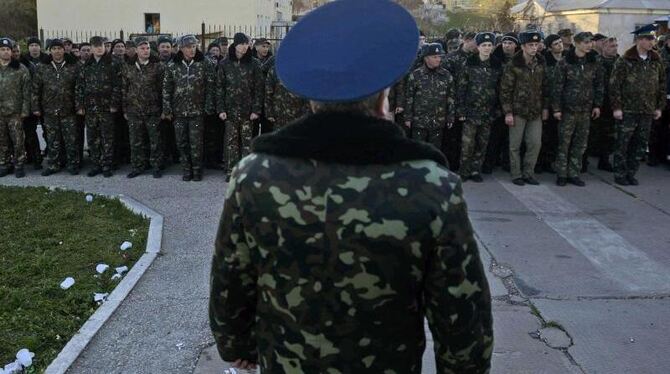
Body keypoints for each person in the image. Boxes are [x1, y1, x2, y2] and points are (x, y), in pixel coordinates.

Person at [209, 1, 493, 373]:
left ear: (310, 96)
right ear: (383, 97)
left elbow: (231, 278)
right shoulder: (432, 185)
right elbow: (461, 310)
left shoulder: (254, 175)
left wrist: (236, 344)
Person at [609, 25, 666, 186]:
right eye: (648, 39)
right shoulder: (625, 60)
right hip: (627, 109)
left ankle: (631, 173)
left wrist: (659, 107)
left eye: (652, 39)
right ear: (639, 40)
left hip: (647, 110)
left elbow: (661, 84)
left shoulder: (656, 60)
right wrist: (617, 107)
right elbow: (615, 85)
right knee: (623, 143)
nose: (651, 42)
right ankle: (620, 173)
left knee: (640, 144)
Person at [552, 32, 604, 187]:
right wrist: (556, 109)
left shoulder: (594, 62)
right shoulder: (565, 62)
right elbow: (557, 88)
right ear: (578, 43)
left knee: (580, 144)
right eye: (586, 42)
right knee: (564, 143)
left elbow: (599, 85)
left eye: (591, 42)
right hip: (568, 110)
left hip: (585, 110)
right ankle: (562, 173)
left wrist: (597, 105)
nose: (590, 45)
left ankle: (574, 173)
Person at [162, 34, 215, 181]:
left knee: (196, 142)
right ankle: (186, 170)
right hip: (179, 111)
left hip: (197, 111)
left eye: (194, 46)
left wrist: (208, 106)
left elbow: (211, 86)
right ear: (181, 48)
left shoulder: (204, 63)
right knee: (181, 142)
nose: (192, 50)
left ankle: (197, 170)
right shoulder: (173, 65)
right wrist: (167, 109)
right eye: (188, 47)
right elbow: (167, 88)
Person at [500, 31, 549, 186]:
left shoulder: (541, 62)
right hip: (517, 110)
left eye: (536, 45)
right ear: (523, 46)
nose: (534, 48)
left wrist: (545, 108)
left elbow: (545, 86)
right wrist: (508, 112)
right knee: (515, 144)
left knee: (535, 143)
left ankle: (528, 173)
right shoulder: (514, 64)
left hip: (535, 111)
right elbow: (505, 90)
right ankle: (516, 174)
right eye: (531, 45)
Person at [216, 33, 263, 180]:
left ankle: (245, 172)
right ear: (235, 45)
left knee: (247, 143)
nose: (245, 46)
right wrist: (221, 109)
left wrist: (256, 110)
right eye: (242, 43)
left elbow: (258, 88)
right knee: (231, 143)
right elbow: (219, 88)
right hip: (230, 110)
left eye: (247, 43)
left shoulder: (254, 63)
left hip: (247, 111)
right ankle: (231, 171)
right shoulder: (225, 63)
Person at [457, 32, 502, 182]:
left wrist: (497, 110)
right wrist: (461, 109)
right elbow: (461, 88)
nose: (487, 48)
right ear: (478, 46)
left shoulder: (496, 65)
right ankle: (464, 170)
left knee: (482, 144)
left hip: (488, 112)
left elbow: (500, 88)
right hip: (471, 111)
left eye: (489, 45)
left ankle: (476, 170)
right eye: (484, 45)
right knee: (468, 144)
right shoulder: (469, 63)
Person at [32, 38, 81, 175]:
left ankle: (73, 164)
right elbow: (36, 89)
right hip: (49, 110)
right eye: (54, 49)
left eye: (59, 48)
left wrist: (78, 106)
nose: (57, 51)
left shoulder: (73, 65)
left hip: (69, 110)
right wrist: (35, 107)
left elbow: (79, 87)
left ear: (64, 50)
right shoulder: (42, 67)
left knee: (71, 139)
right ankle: (53, 164)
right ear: (50, 51)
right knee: (52, 139)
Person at [76, 36, 121, 177]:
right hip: (90, 107)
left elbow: (118, 85)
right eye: (95, 46)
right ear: (91, 48)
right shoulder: (86, 64)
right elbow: (80, 86)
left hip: (107, 107)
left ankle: (107, 165)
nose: (99, 48)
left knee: (107, 137)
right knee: (92, 137)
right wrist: (80, 105)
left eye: (101, 45)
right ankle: (96, 164)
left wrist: (114, 103)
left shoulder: (113, 63)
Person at [121, 36, 165, 179]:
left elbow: (163, 89)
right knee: (136, 140)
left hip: (153, 110)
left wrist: (163, 109)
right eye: (142, 48)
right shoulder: (128, 66)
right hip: (134, 110)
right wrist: (125, 108)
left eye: (147, 48)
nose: (146, 51)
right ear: (136, 50)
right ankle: (138, 166)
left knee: (155, 140)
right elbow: (124, 88)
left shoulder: (158, 66)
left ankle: (156, 166)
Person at [405, 43, 455, 151]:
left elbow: (451, 97)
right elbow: (409, 97)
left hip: (438, 121)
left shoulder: (446, 75)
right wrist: (408, 117)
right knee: (418, 151)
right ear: (426, 58)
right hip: (419, 121)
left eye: (439, 57)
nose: (438, 59)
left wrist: (450, 116)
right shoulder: (416, 75)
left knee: (435, 151)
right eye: (435, 57)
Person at [483, 32, 519, 174]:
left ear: (515, 45)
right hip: (496, 103)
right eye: (504, 42)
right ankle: (489, 163)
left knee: (510, 137)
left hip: (513, 103)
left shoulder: (520, 60)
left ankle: (507, 162)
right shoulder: (495, 59)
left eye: (510, 43)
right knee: (494, 136)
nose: (507, 45)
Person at [0, 37, 31, 178]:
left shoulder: (20, 68)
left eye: (8, 50)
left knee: (18, 140)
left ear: (12, 52)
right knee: (2, 140)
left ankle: (19, 164)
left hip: (15, 112)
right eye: (2, 49)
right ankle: (4, 164)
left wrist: (25, 110)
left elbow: (27, 91)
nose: (5, 52)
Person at [20, 36, 48, 170]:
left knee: (48, 130)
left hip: (46, 101)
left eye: (36, 45)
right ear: (28, 47)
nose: (34, 47)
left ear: (40, 47)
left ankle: (50, 151)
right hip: (30, 101)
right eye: (31, 45)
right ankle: (33, 156)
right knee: (29, 132)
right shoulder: (24, 61)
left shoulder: (47, 59)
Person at [537, 34, 564, 174]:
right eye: (556, 44)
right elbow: (543, 85)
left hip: (562, 103)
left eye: (560, 42)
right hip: (547, 102)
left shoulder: (566, 59)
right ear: (549, 47)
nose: (560, 45)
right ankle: (542, 162)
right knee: (545, 135)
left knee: (557, 136)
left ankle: (552, 161)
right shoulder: (545, 61)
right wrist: (545, 107)